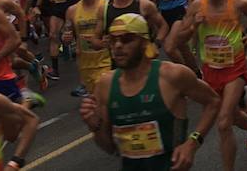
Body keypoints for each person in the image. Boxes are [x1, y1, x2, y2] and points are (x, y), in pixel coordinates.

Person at [80, 13, 221, 170]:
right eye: (113, 40)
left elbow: (213, 101)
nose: (118, 46)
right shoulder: (105, 84)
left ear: (143, 42)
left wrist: (193, 142)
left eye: (127, 39)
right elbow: (110, 147)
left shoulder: (172, 75)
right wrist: (95, 126)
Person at [179, 0, 247, 171]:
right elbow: (180, 39)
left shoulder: (237, 3)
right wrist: (194, 25)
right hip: (210, 70)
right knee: (235, 116)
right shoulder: (197, 7)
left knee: (223, 123)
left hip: (234, 69)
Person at [62, 0, 112, 96]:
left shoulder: (106, 5)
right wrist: (66, 38)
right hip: (86, 65)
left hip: (106, 62)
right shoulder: (72, 11)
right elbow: (67, 34)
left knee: (103, 99)